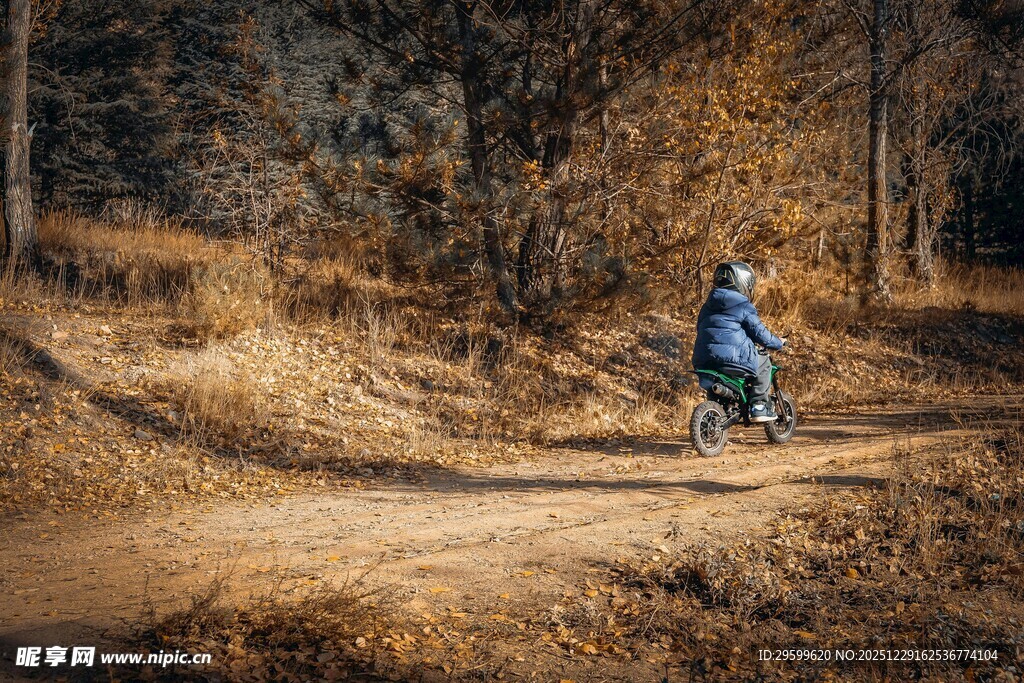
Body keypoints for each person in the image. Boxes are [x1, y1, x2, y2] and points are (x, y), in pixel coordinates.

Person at [692, 261, 786, 422]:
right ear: (743, 282)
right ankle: (759, 406)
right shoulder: (743, 305)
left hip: (704, 358)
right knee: (764, 363)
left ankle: (715, 411)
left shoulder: (707, 306)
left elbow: (700, 328)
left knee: (714, 381)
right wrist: (778, 342)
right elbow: (760, 333)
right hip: (733, 359)